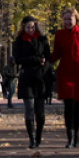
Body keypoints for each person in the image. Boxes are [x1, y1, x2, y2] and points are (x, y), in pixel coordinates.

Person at [50, 7, 79, 148]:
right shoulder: (60, 34)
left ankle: (77, 136)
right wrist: (45, 59)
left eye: (70, 19)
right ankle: (70, 138)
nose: (68, 21)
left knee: (78, 107)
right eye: (65, 19)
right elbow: (56, 54)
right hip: (65, 72)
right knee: (68, 106)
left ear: (76, 19)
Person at [12, 15, 51, 148]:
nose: (30, 29)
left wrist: (44, 68)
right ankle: (32, 138)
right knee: (29, 108)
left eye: (32, 27)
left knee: (40, 111)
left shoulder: (42, 40)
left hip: (40, 78)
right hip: (27, 78)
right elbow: (18, 59)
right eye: (28, 27)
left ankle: (39, 135)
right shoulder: (19, 41)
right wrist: (36, 59)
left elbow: (48, 58)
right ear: (23, 27)